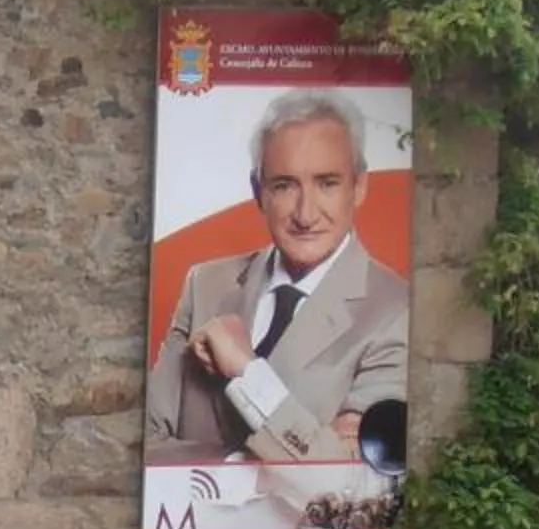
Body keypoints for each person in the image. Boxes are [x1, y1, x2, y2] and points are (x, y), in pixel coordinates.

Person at [145, 91, 408, 463]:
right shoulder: (205, 284)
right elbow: (146, 443)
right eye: (284, 185)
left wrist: (248, 374)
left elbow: (350, 476)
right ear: (258, 192)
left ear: (359, 187)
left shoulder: (395, 311)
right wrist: (258, 463)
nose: (305, 214)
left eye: (327, 183)